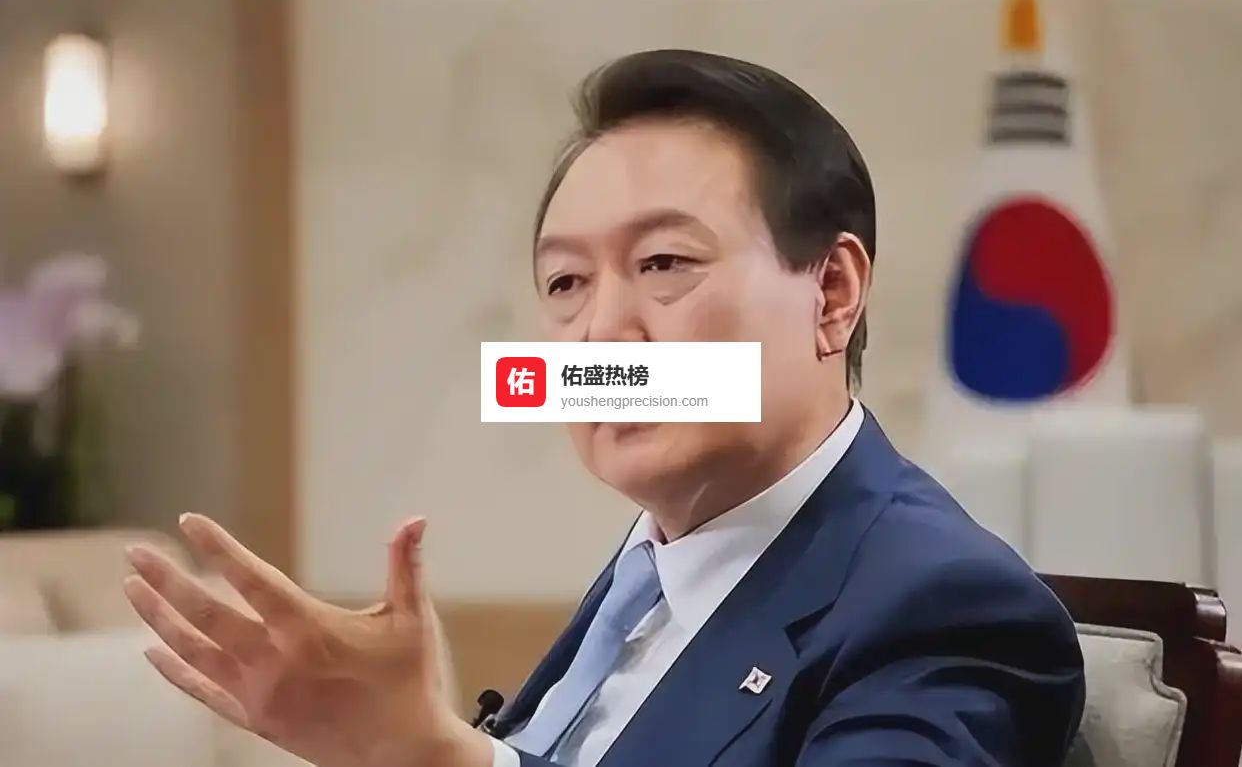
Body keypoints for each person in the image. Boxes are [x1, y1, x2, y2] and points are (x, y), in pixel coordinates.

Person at [122, 49, 1085, 767]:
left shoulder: (944, 607)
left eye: (664, 263)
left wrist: (437, 757)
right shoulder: (648, 572)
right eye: (566, 283)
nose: (601, 339)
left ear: (831, 293)